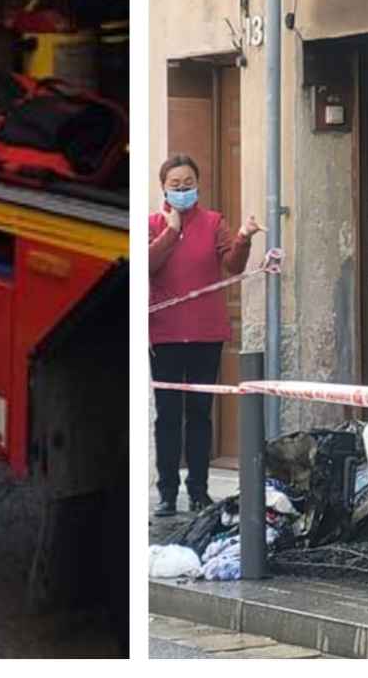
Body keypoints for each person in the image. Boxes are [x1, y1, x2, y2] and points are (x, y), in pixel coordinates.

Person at [148, 153, 263, 517]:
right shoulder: (152, 224)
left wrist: (243, 237)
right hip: (164, 335)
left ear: (198, 185)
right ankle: (167, 492)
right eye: (175, 185)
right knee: (167, 415)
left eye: (188, 184)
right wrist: (171, 230)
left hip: (205, 333)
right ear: (164, 188)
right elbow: (147, 265)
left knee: (199, 414)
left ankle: (199, 489)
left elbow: (233, 265)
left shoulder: (214, 222)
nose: (182, 190)